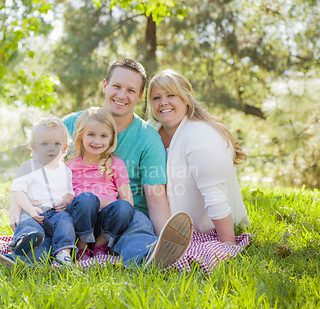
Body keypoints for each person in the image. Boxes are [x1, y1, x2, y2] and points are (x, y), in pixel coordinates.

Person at [12, 59, 193, 268]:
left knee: (139, 224)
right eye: (116, 86)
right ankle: (26, 261)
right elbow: (37, 170)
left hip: (119, 216)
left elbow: (156, 199)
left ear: (140, 96)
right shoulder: (71, 123)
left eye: (131, 90)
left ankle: (150, 257)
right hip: (72, 210)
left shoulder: (148, 138)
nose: (122, 95)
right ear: (105, 85)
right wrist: (16, 207)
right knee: (41, 216)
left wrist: (165, 237)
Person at [146, 69, 250, 249]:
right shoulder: (150, 130)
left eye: (171, 95)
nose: (163, 102)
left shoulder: (202, 136)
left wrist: (228, 244)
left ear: (186, 98)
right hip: (155, 224)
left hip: (199, 229)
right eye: (156, 98)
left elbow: (215, 195)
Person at [0, 116, 76, 266]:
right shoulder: (28, 167)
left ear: (64, 149)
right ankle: (23, 243)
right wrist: (30, 209)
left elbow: (70, 192)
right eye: (45, 144)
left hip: (55, 213)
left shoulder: (66, 171)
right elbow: (18, 192)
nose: (51, 148)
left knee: (66, 220)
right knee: (33, 237)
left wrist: (66, 200)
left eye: (56, 144)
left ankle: (63, 254)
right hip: (33, 212)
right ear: (34, 147)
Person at [65, 107, 135, 261]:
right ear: (81, 135)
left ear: (111, 138)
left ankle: (100, 245)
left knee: (123, 208)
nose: (97, 141)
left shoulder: (117, 165)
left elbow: (129, 203)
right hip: (80, 218)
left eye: (104, 136)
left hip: (106, 222)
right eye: (91, 134)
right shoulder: (69, 167)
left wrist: (101, 203)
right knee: (86, 200)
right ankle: (82, 248)